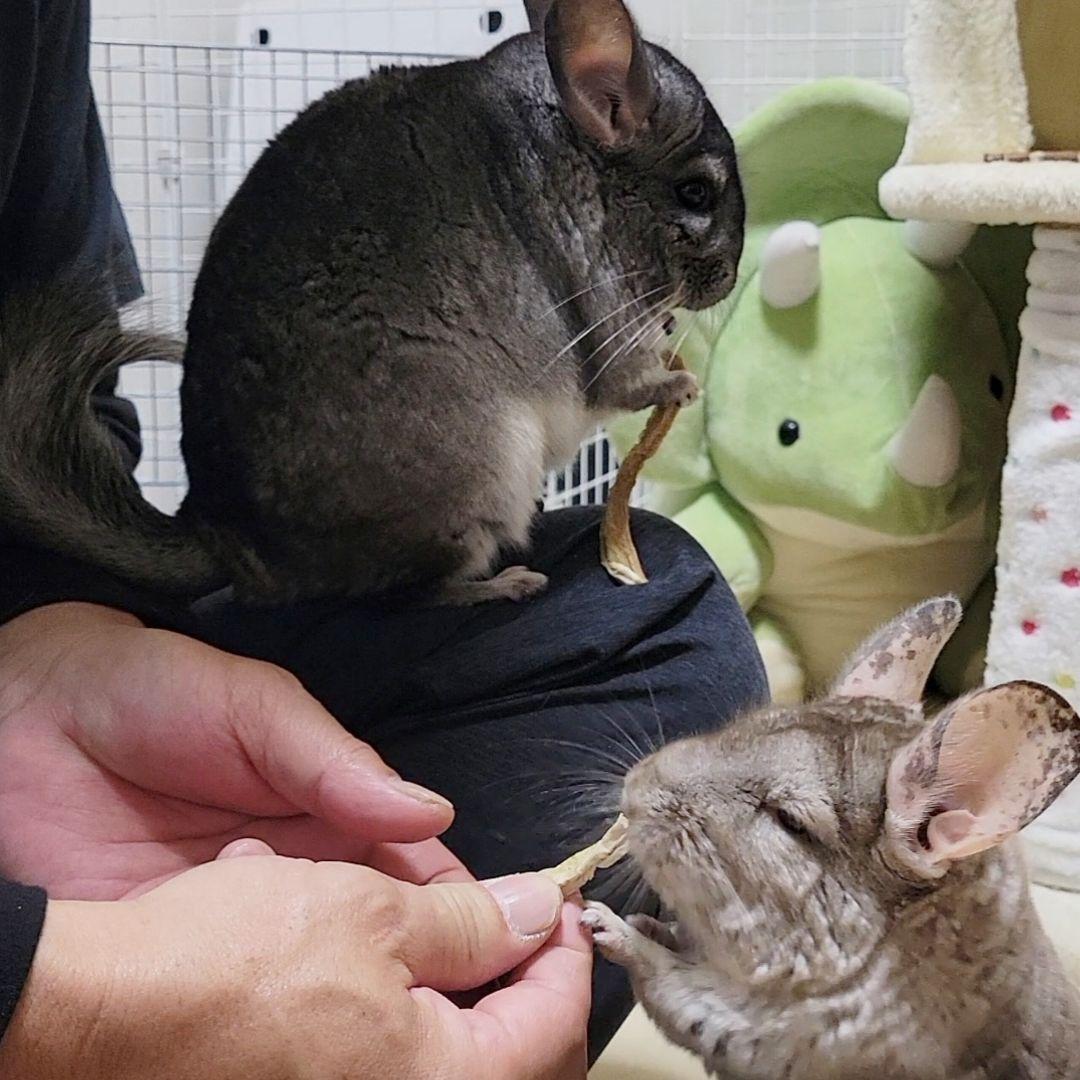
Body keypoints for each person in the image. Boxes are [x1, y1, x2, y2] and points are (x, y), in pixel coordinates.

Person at [0, 0, 768, 1075]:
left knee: (667, 628)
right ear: (600, 105)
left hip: (65, 629)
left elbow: (53, 344)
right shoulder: (551, 176)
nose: (709, 256)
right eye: (690, 203)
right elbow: (594, 371)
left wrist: (53, 628)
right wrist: (56, 1001)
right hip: (338, 515)